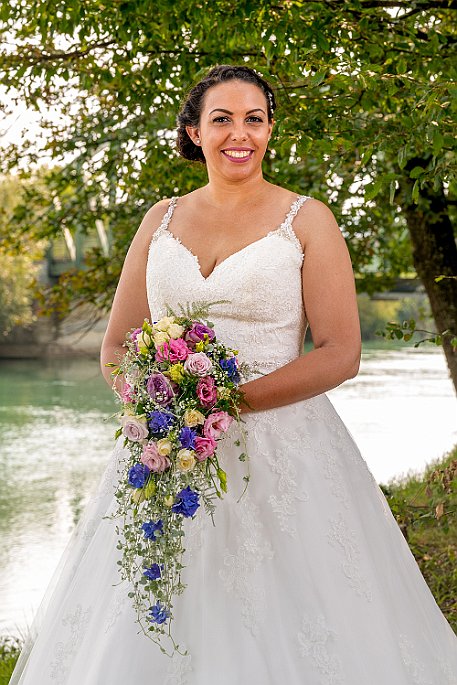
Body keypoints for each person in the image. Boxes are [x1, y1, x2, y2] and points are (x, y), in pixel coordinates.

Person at [10, 65, 457, 684]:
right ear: (194, 132)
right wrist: (155, 408)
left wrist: (225, 403)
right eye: (222, 119)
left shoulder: (308, 220)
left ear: (271, 129)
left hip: (287, 454)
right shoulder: (159, 221)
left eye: (255, 118)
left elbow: (341, 353)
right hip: (169, 454)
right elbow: (116, 344)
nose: (239, 134)